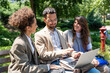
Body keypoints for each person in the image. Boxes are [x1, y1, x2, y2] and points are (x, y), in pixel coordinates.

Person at [35, 7, 100, 73]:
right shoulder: (40, 35)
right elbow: (43, 55)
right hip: (53, 64)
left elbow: (68, 50)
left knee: (95, 72)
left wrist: (74, 54)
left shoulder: (61, 33)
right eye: (50, 20)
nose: (53, 22)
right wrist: (61, 52)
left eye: (55, 19)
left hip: (67, 61)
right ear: (44, 20)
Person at [8, 6, 62, 73]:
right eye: (35, 24)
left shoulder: (28, 38)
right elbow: (25, 68)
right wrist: (47, 67)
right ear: (28, 28)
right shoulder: (19, 44)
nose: (37, 26)